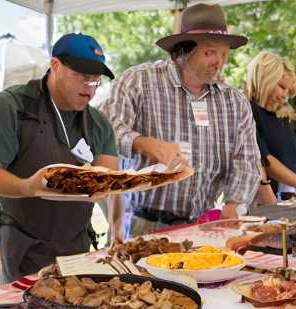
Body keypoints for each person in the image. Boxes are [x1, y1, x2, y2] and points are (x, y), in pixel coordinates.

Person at [0, 33, 123, 282]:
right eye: (83, 77)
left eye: (95, 82)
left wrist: (116, 228)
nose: (89, 89)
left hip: (77, 249)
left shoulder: (98, 124)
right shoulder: (10, 107)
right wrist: (28, 187)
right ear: (55, 66)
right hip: (21, 247)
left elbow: (111, 182)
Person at [100, 3, 262, 236]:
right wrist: (145, 143)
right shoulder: (140, 81)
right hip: (144, 225)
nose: (219, 61)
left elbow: (247, 161)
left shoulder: (234, 101)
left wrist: (235, 203)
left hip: (201, 226)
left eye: (224, 54)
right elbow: (105, 131)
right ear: (182, 51)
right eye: (210, 52)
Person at [244, 51, 296, 199]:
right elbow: (264, 159)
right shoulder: (248, 111)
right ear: (264, 79)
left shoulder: (283, 117)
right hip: (262, 201)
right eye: (281, 87)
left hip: (287, 198)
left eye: (288, 90)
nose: (284, 94)